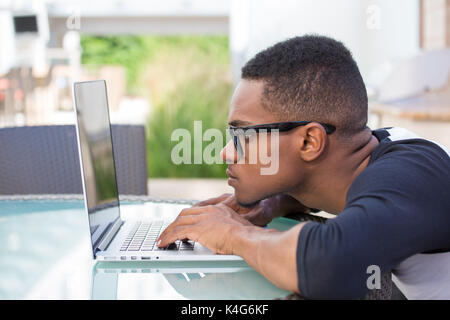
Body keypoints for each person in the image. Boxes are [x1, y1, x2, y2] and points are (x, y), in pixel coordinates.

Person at [157, 35, 450, 299]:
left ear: (310, 141)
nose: (226, 153)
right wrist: (281, 200)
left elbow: (329, 265)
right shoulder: (388, 148)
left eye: (243, 135)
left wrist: (231, 234)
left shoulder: (410, 177)